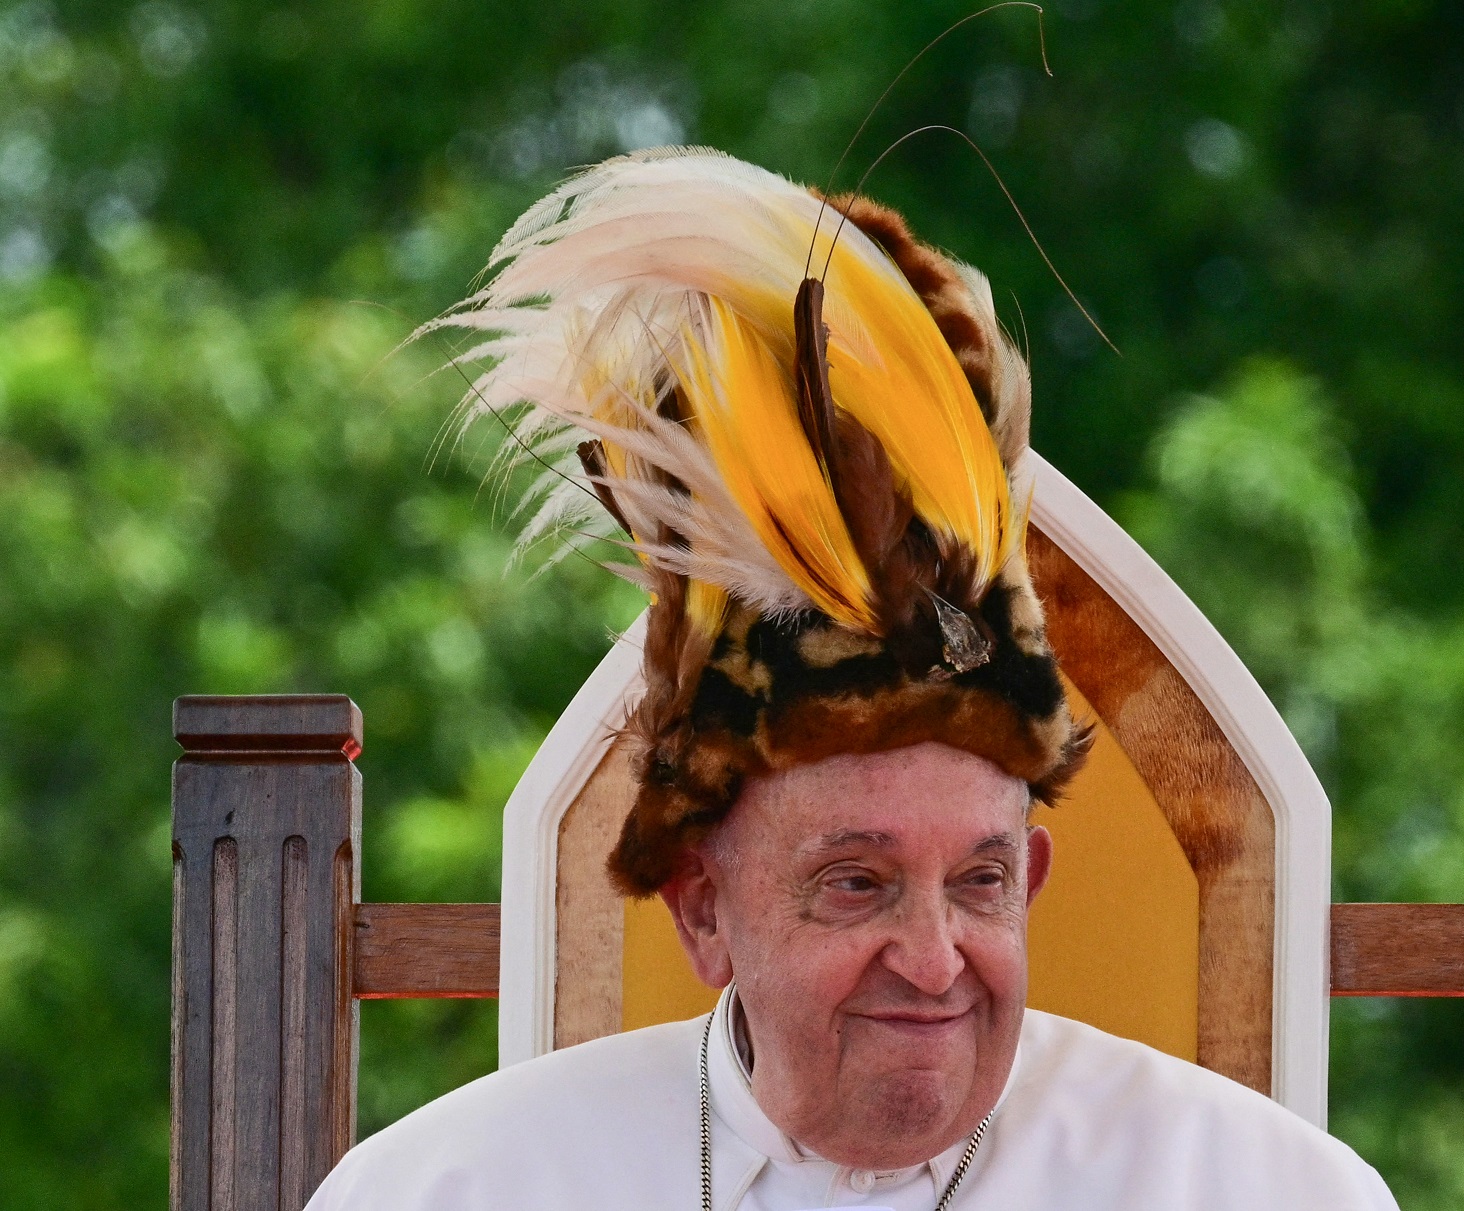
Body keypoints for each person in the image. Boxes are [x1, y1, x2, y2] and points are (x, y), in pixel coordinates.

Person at [307, 148, 1398, 1210]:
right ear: (701, 910)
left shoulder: (1266, 1188)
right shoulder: (446, 1187)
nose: (933, 963)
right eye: (854, 882)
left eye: (979, 881)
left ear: (1034, 878)